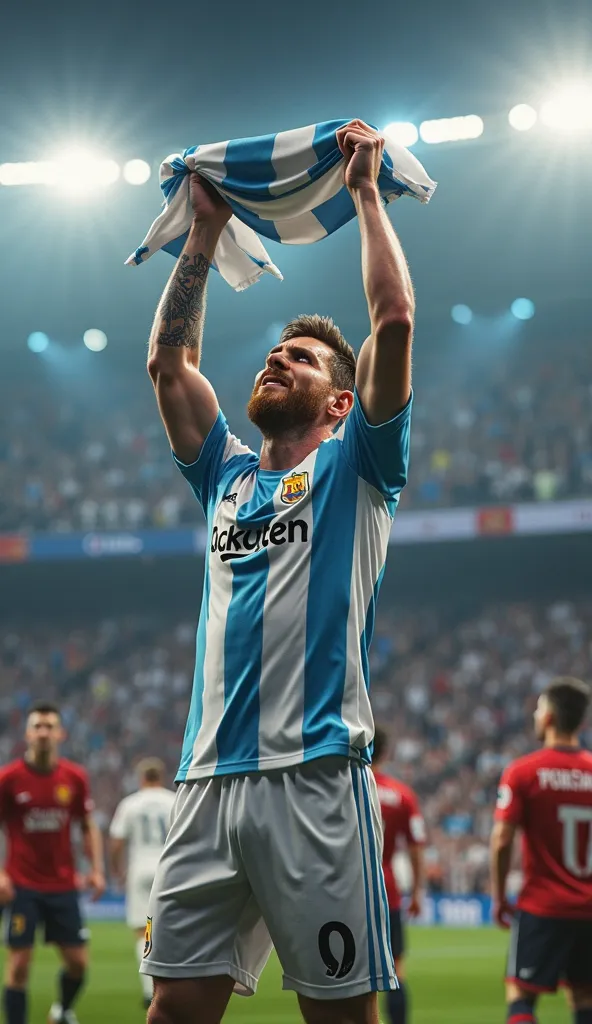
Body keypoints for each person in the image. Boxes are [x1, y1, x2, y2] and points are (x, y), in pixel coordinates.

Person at [144, 118, 415, 1024]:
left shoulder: (357, 467)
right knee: (174, 1011)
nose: (275, 359)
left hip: (315, 776)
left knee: (337, 1017)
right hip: (207, 778)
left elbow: (395, 320)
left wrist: (368, 195)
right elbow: (167, 363)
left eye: (297, 358)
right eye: (274, 352)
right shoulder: (224, 474)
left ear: (340, 399)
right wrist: (206, 237)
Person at [491, 676, 592, 1024]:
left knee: (520, 993)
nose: (535, 715)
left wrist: (499, 895)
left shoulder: (523, 771)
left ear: (548, 717)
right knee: (583, 995)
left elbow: (502, 839)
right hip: (589, 908)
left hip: (543, 905)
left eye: (538, 709)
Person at [0, 701, 105, 1024]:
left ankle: (61, 1011)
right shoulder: (8, 779)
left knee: (78, 963)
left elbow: (88, 825)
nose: (43, 733)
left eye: (49, 727)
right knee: (19, 965)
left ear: (61, 734)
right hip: (23, 885)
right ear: (27, 734)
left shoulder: (74, 777)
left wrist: (97, 870)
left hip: (63, 884)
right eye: (37, 727)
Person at [109, 758, 176, 1009]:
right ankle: (172, 985)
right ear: (161, 776)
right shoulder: (173, 800)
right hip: (168, 868)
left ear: (140, 778)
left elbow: (116, 842)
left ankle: (149, 992)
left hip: (139, 870)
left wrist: (117, 870)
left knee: (142, 930)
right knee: (167, 929)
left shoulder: (131, 803)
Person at [372, 727, 425, 1024]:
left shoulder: (345, 787)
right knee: (396, 970)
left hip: (349, 892)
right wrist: (416, 892)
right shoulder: (401, 794)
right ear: (386, 752)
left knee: (346, 972)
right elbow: (417, 846)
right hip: (387, 890)